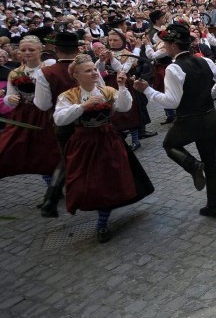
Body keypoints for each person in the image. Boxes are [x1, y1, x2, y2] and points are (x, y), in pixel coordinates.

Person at [133, 22, 216, 218]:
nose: (163, 47)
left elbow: (172, 101)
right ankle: (213, 207)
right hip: (209, 117)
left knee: (169, 145)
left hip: (189, 119)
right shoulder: (205, 61)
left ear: (174, 46)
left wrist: (147, 90)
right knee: (211, 164)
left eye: (165, 44)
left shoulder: (174, 68)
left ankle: (194, 165)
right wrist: (210, 95)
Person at [55, 55, 153, 243]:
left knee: (108, 179)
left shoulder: (107, 90)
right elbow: (59, 119)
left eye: (94, 69)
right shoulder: (68, 96)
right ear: (76, 75)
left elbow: (124, 107)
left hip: (108, 139)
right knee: (85, 181)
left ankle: (102, 222)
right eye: (88, 70)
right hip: (83, 142)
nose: (93, 72)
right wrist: (83, 106)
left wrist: (122, 87)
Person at [35, 32, 91, 218]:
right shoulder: (89, 67)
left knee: (66, 157)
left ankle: (53, 198)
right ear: (77, 49)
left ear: (56, 50)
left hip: (63, 123)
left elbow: (43, 105)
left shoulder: (45, 73)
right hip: (90, 119)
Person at [0, 36, 60, 184]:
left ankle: (55, 185)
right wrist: (11, 99)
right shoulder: (15, 73)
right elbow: (10, 96)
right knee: (19, 147)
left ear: (40, 50)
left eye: (31, 50)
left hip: (47, 113)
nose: (27, 52)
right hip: (24, 114)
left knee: (49, 149)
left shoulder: (48, 68)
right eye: (23, 50)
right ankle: (50, 183)